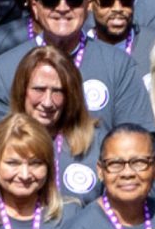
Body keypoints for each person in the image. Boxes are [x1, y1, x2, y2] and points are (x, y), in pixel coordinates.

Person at [0, 0, 153, 131]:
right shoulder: (4, 69)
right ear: (35, 7)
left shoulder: (119, 65)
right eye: (51, 0)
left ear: (87, 5)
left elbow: (137, 137)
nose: (63, 8)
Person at [8, 47, 108, 201]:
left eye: (57, 91)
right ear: (22, 91)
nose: (47, 102)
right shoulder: (4, 141)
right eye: (39, 89)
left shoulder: (98, 144)